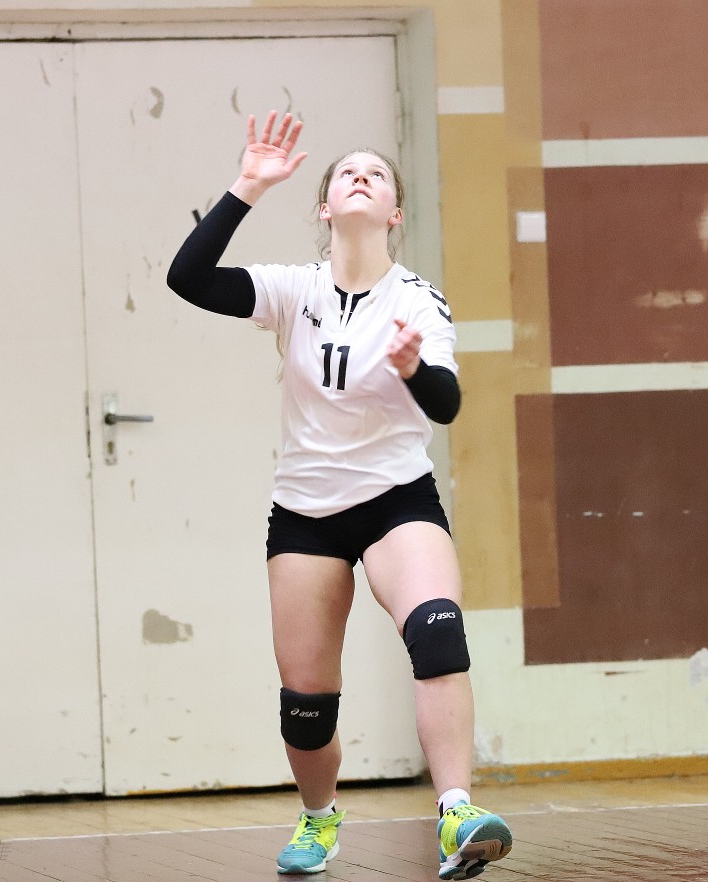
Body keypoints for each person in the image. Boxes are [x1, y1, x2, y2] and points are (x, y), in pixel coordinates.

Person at [166, 111, 512, 880]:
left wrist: (413, 368)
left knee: (438, 636)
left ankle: (457, 812)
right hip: (306, 514)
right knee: (306, 703)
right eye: (346, 173)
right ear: (325, 207)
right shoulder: (294, 290)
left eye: (376, 173)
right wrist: (247, 186)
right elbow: (187, 279)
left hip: (397, 500)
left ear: (395, 213)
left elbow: (447, 403)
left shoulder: (418, 299)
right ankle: (320, 818)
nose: (361, 176)